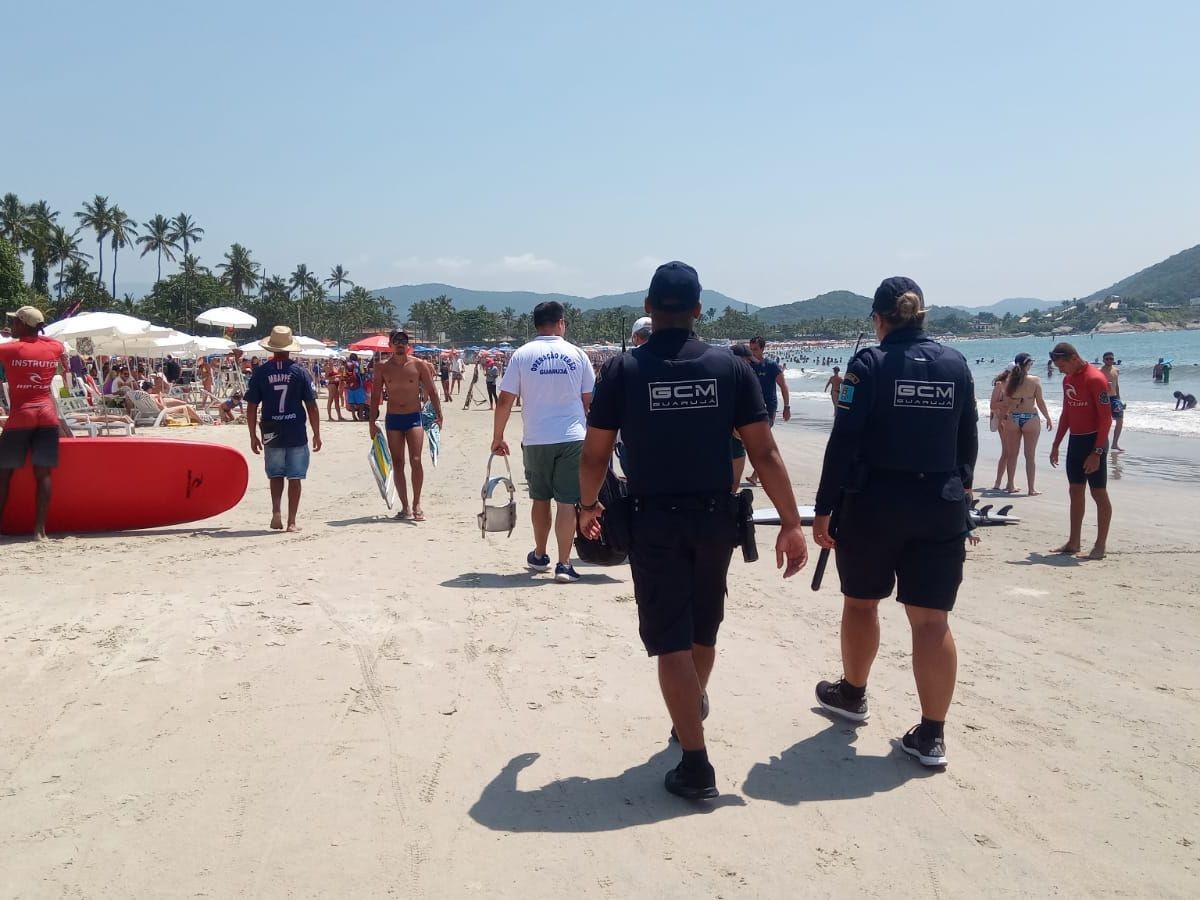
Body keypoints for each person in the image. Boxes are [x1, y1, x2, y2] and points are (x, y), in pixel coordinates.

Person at [578, 261, 808, 799]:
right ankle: (691, 708)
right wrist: (792, 522)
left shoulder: (624, 370)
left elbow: (594, 453)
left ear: (649, 309)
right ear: (699, 310)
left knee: (671, 643)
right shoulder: (730, 368)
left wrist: (588, 506)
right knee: (703, 630)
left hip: (655, 520)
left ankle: (697, 765)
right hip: (715, 519)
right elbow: (764, 450)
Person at [811, 277, 978, 769]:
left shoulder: (870, 365)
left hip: (875, 504)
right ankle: (931, 735)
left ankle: (853, 693)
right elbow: (967, 438)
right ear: (922, 315)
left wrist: (824, 507)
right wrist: (962, 488)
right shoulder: (956, 363)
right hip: (940, 503)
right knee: (931, 620)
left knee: (862, 603)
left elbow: (844, 440)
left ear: (879, 319)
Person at [491, 300, 594, 583]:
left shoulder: (522, 355)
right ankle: (563, 564)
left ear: (536, 324)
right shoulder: (577, 354)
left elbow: (504, 399)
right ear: (561, 322)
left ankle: (539, 555)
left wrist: (497, 437)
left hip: (537, 438)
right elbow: (589, 402)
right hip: (573, 436)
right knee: (566, 502)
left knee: (540, 498)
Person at [0, 306, 73, 541]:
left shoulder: (10, 349)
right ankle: (40, 531)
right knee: (43, 475)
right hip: (47, 417)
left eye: (14, 322)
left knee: (3, 474)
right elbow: (59, 348)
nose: (11, 326)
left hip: (22, 417)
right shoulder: (53, 346)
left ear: (23, 325)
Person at [245, 326, 322, 532]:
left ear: (272, 348)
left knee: (276, 474)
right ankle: (292, 522)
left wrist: (253, 435)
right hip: (295, 428)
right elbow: (312, 406)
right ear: (289, 349)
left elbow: (252, 407)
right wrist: (317, 433)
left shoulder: (261, 372)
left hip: (270, 428)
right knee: (295, 477)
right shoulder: (299, 371)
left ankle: (276, 511)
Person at [369, 331, 443, 521]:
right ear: (391, 345)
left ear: (408, 345)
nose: (400, 344)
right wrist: (371, 423)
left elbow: (432, 391)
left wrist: (439, 414)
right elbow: (376, 395)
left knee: (416, 460)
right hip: (393, 418)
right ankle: (405, 507)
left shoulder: (419, 365)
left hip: (413, 417)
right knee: (398, 463)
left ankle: (417, 503)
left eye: (404, 341)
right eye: (397, 341)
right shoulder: (382, 367)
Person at [1048, 342, 1112, 560]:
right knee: (1075, 490)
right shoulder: (1068, 380)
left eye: (1062, 365)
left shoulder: (1095, 379)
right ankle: (1074, 541)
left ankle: (1100, 546)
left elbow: (1106, 419)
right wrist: (1056, 443)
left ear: (1074, 358)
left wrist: (1097, 452)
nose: (1060, 371)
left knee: (1098, 492)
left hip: (1094, 441)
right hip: (1075, 441)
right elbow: (1067, 413)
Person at [1004, 353, 1053, 496]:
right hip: (1030, 418)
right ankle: (1031, 489)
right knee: (1030, 456)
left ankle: (1011, 485)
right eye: (1031, 363)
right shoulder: (1035, 380)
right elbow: (1040, 402)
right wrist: (1048, 417)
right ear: (1027, 364)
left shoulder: (1010, 381)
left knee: (1012, 455)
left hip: (1013, 417)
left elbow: (1007, 401)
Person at [744, 336, 790, 486]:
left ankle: (757, 475)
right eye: (750, 350)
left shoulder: (771, 366)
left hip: (768, 408)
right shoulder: (747, 365)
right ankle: (757, 475)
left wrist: (787, 407)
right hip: (750, 406)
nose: (752, 353)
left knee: (762, 440)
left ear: (763, 349)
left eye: (755, 350)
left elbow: (783, 386)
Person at [989, 368, 1017, 492]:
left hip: (1013, 420)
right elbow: (992, 405)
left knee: (1010, 452)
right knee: (1007, 452)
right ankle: (999, 483)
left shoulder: (1016, 385)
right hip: (1003, 420)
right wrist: (1005, 402)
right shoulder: (1000, 385)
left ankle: (1008, 483)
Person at [1099, 352, 1125, 451]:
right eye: (1107, 359)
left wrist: (1119, 399)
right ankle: (1102, 442)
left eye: (1111, 359)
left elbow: (1116, 385)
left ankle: (1115, 444)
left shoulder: (1116, 370)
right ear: (1103, 360)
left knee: (1120, 420)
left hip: (1114, 398)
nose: (1109, 360)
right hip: (1103, 398)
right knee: (1105, 422)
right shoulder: (1099, 371)